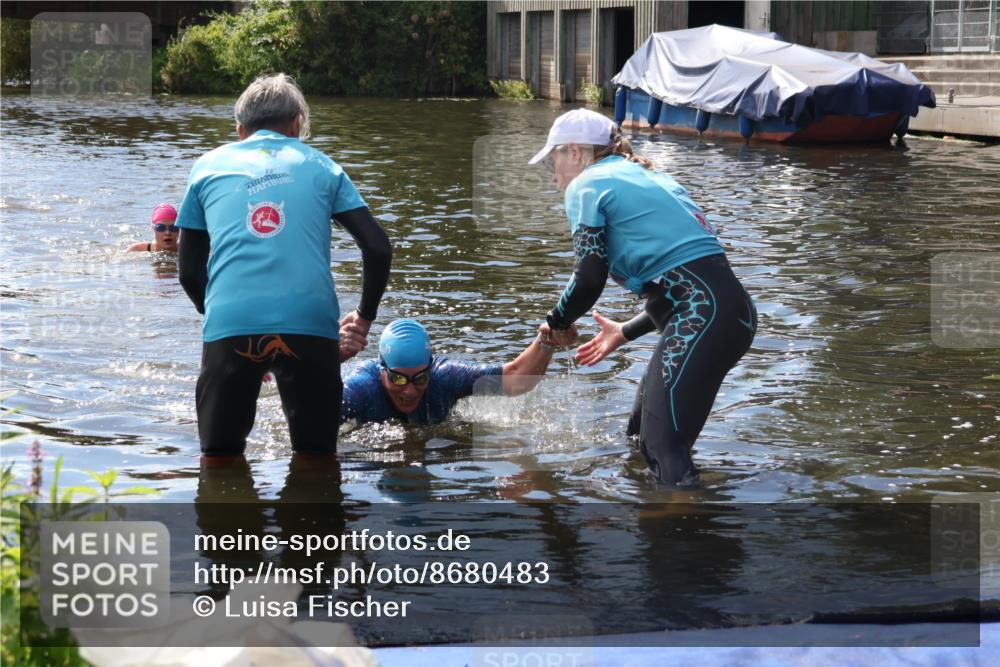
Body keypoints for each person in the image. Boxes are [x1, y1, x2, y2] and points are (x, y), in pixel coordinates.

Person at [532, 109, 757, 486]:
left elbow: (589, 278)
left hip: (703, 315)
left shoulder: (586, 184)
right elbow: (686, 282)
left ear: (574, 152)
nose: (552, 176)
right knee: (640, 434)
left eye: (552, 162)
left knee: (661, 446)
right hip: (729, 312)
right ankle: (684, 512)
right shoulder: (646, 174)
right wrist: (625, 331)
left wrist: (557, 322)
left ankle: (684, 533)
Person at [177, 73, 391, 459]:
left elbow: (189, 272)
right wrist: (364, 316)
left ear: (240, 129)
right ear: (296, 124)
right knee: (317, 458)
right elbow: (377, 247)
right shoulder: (323, 167)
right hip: (309, 323)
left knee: (219, 458)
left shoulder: (206, 167)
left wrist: (230, 322)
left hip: (232, 321)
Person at [340, 318, 576, 425]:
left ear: (430, 367)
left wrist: (547, 341)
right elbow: (308, 423)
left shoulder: (444, 376)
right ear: (382, 370)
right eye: (398, 379)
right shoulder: (362, 387)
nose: (410, 390)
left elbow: (515, 379)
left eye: (420, 378)